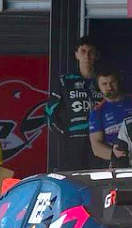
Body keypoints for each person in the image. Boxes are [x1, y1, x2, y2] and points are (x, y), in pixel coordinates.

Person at [46, 36, 103, 170]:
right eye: (83, 51)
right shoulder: (64, 81)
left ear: (97, 55)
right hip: (74, 142)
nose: (87, 55)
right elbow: (49, 114)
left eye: (91, 52)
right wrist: (65, 134)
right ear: (76, 54)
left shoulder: (106, 82)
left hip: (101, 141)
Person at [88, 64, 132, 169]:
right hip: (117, 165)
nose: (109, 87)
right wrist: (115, 155)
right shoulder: (97, 111)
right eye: (104, 84)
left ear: (119, 81)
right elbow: (96, 147)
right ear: (97, 85)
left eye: (112, 82)